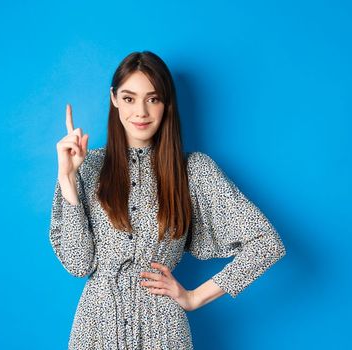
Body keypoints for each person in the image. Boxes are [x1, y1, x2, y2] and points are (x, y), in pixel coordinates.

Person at [50, 51, 286, 349]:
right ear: (113, 99)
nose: (141, 112)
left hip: (162, 330)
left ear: (167, 103)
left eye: (153, 98)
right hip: (96, 326)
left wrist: (194, 297)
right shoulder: (87, 165)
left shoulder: (194, 171)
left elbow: (267, 243)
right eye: (129, 98)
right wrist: (68, 179)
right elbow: (78, 264)